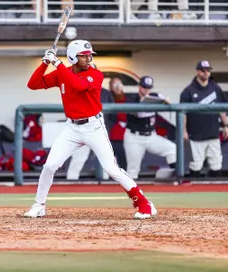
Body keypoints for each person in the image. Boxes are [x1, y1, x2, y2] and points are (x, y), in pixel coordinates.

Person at [24, 40, 157, 219]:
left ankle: (144, 203)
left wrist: (57, 64)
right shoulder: (63, 72)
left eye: (89, 55)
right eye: (83, 55)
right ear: (73, 57)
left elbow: (79, 85)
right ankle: (39, 204)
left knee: (111, 169)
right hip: (72, 127)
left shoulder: (95, 74)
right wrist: (44, 64)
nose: (88, 58)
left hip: (93, 126)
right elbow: (33, 84)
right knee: (50, 165)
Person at [180, 60, 228, 178]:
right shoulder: (189, 90)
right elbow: (183, 113)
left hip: (213, 134)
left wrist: (226, 125)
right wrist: (183, 130)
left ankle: (215, 194)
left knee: (216, 164)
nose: (206, 73)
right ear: (197, 72)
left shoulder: (215, 87)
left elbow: (221, 108)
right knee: (195, 165)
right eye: (203, 71)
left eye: (208, 70)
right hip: (196, 136)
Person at [123, 76, 176, 179]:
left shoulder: (154, 96)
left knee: (172, 149)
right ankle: (132, 193)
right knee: (133, 169)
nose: (146, 90)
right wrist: (144, 102)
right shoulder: (132, 98)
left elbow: (165, 99)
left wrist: (165, 101)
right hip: (134, 137)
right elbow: (137, 113)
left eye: (148, 87)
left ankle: (176, 176)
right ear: (139, 86)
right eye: (144, 87)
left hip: (151, 136)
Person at [66, 86, 114, 180]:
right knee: (78, 159)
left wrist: (106, 127)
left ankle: (105, 186)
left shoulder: (106, 93)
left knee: (106, 161)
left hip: (99, 131)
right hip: (82, 129)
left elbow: (113, 115)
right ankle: (70, 184)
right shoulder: (78, 90)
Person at [108, 76, 128, 170]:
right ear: (111, 87)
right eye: (115, 84)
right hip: (112, 136)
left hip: (128, 136)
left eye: (119, 84)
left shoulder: (128, 99)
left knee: (124, 162)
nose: (117, 87)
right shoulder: (108, 98)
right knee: (109, 162)